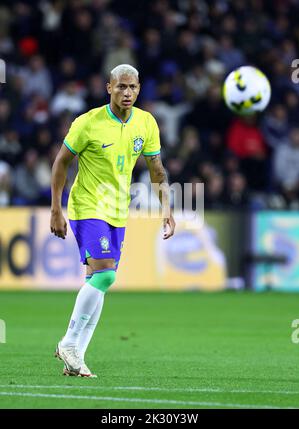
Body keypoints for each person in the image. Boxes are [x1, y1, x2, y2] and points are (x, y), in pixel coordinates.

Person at [50, 64, 176, 377]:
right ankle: (68, 342)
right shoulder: (88, 123)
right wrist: (56, 207)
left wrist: (167, 208)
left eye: (132, 87)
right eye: (120, 87)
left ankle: (76, 357)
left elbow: (156, 169)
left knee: (98, 282)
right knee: (106, 275)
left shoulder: (146, 123)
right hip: (87, 205)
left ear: (139, 88)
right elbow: (61, 163)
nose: (127, 93)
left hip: (119, 210)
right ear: (109, 88)